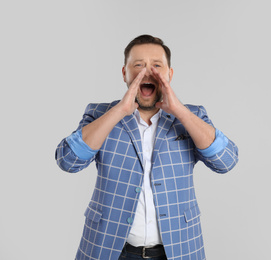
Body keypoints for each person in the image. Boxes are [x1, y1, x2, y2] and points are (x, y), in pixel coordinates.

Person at [55, 34, 239, 260]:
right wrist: (120, 111)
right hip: (108, 249)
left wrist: (180, 111)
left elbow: (226, 161)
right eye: (138, 65)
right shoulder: (99, 114)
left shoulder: (193, 116)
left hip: (178, 250)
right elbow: (68, 161)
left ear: (169, 74)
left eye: (157, 66)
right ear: (125, 73)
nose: (148, 72)